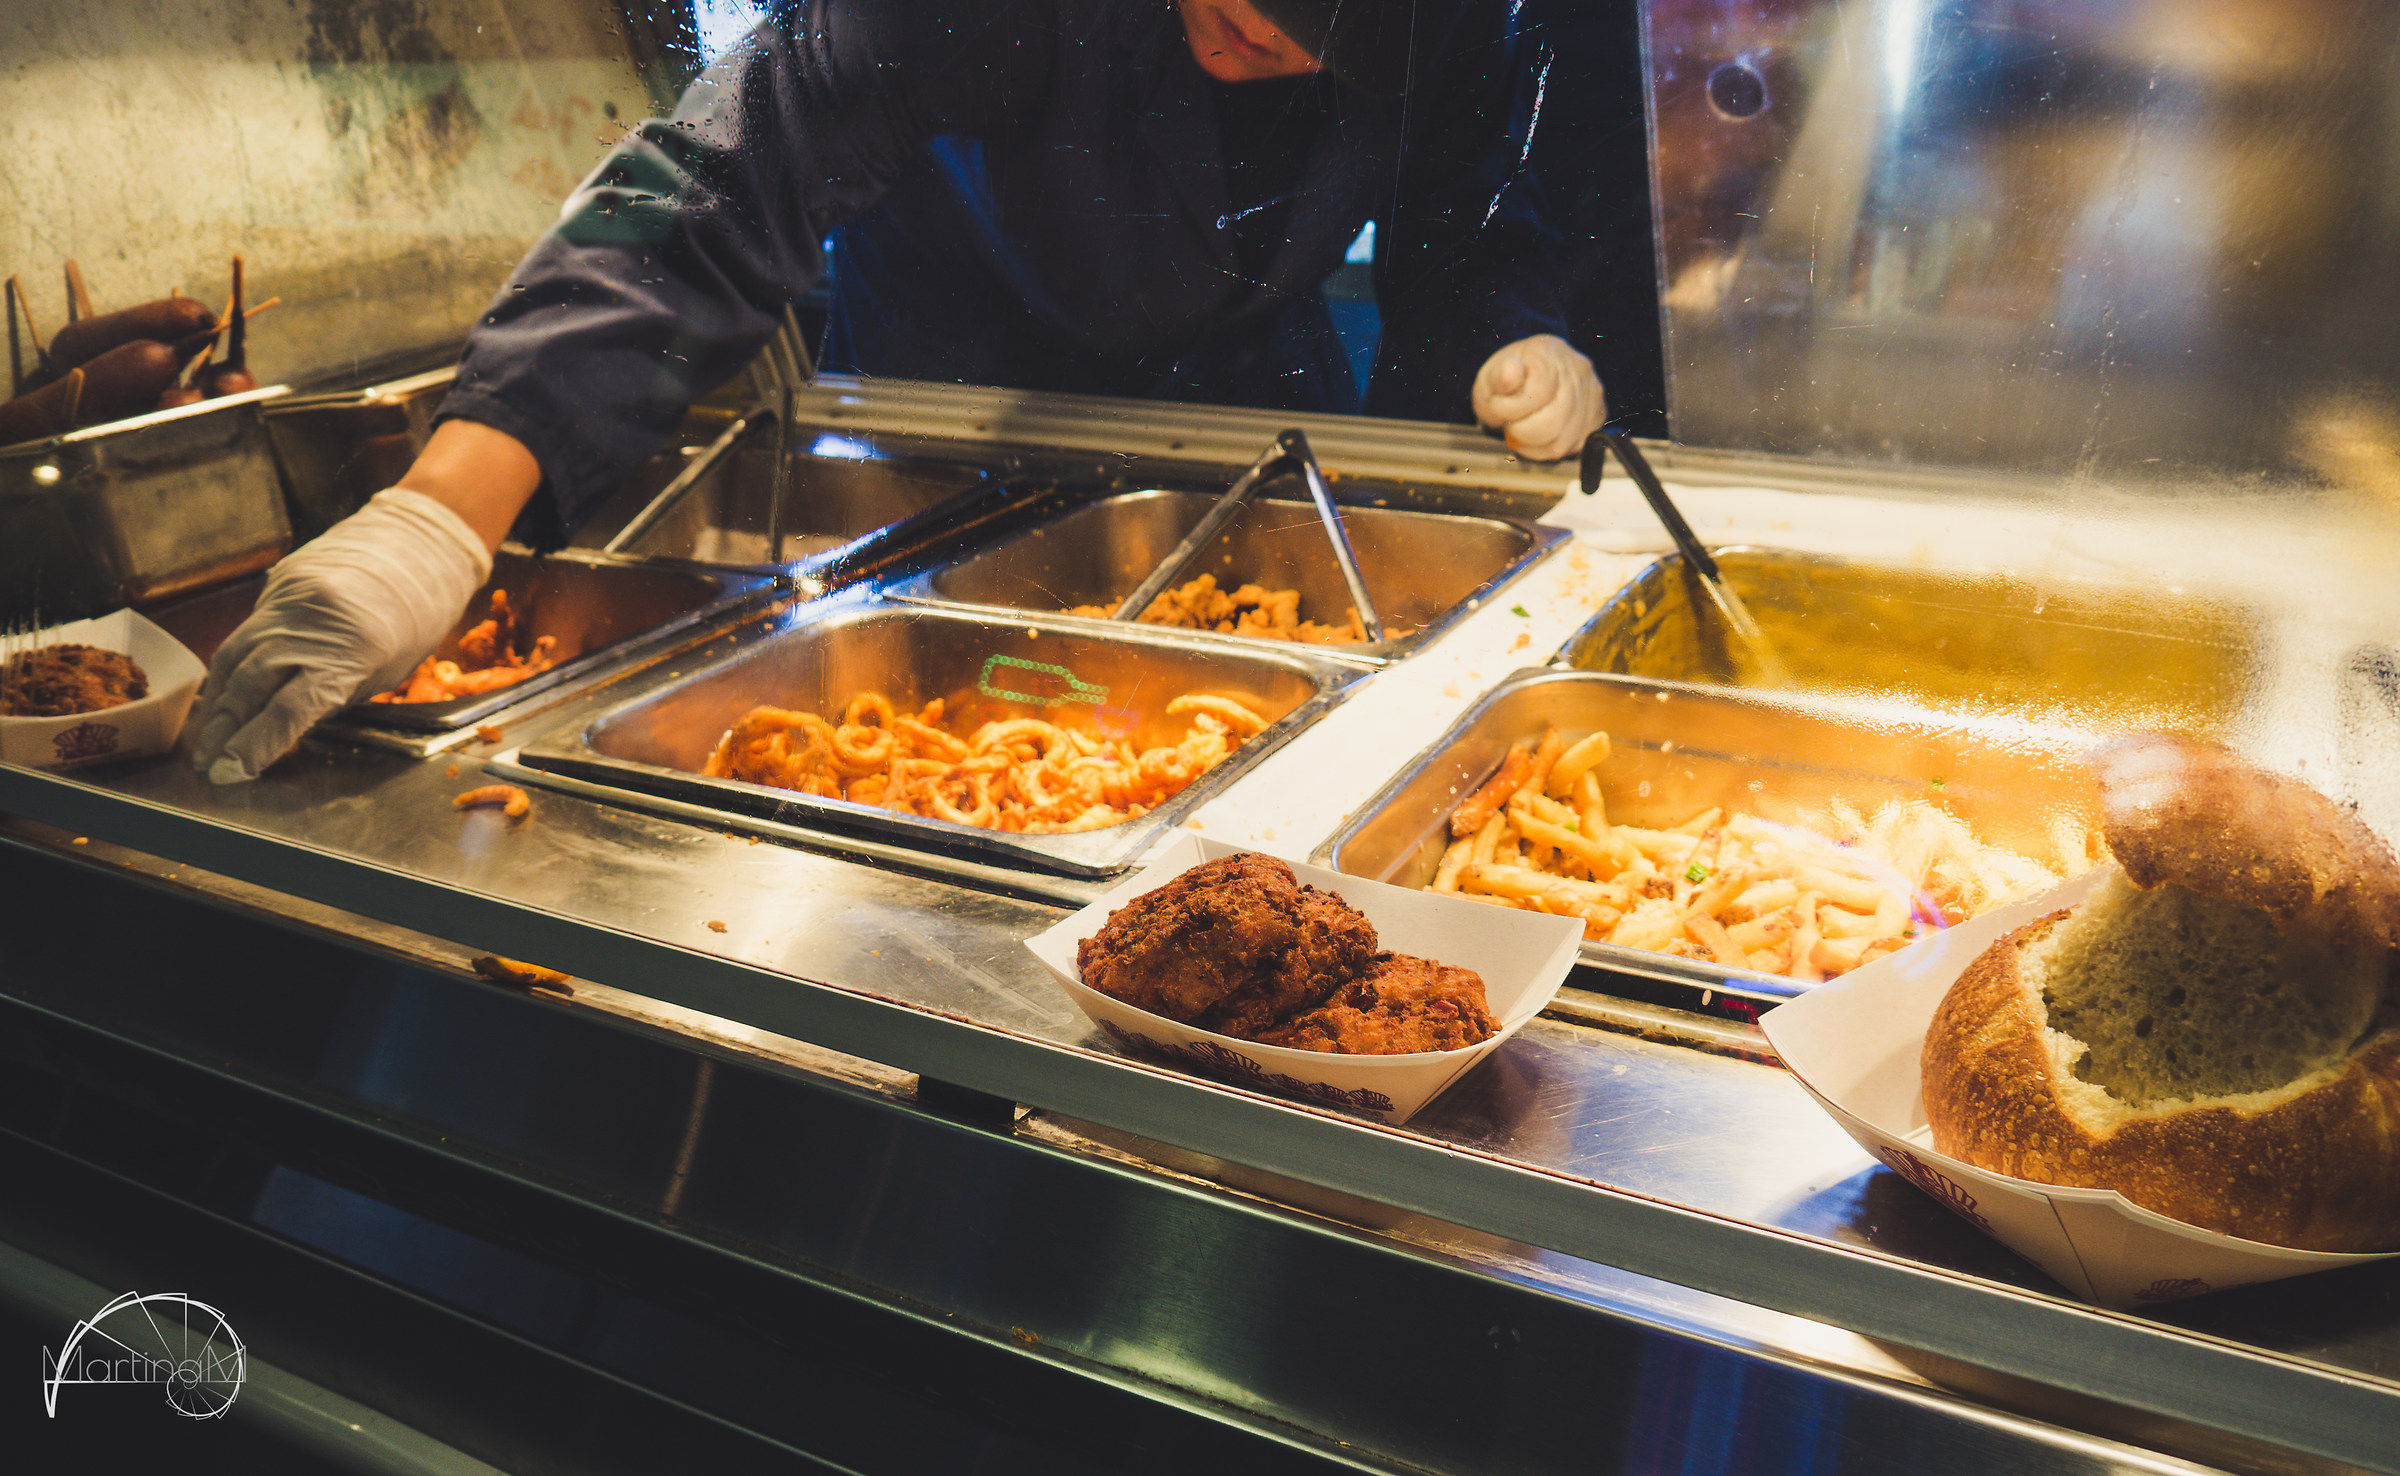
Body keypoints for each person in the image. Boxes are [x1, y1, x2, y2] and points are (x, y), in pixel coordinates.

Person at [190, 0, 1604, 785]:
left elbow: (1469, 219)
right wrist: (447, 506)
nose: (1253, 23)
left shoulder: (1470, 39)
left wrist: (1511, 337)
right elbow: (719, 182)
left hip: (1254, 409)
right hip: (959, 397)